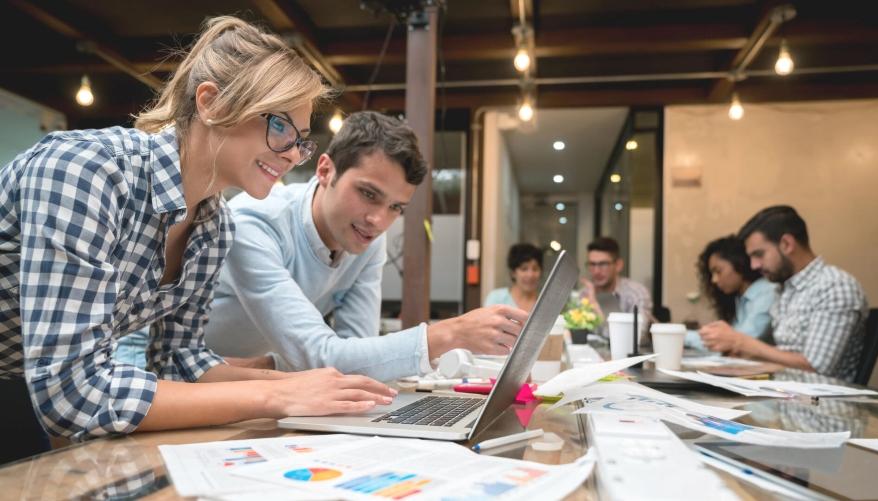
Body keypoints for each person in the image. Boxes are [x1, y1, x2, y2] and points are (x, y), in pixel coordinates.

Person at [0, 16, 396, 464]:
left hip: (21, 382)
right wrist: (277, 398)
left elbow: (180, 361)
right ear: (210, 102)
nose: (290, 154)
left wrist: (306, 386)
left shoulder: (214, 227)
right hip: (38, 387)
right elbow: (73, 390)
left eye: (301, 140)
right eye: (281, 127)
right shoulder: (86, 171)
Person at [203, 112, 528, 381]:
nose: (378, 220)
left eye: (396, 208)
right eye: (368, 194)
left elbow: (355, 354)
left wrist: (271, 364)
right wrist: (448, 333)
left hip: (264, 382)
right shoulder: (255, 223)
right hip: (195, 386)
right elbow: (322, 355)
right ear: (326, 170)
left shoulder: (366, 239)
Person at [701, 206, 867, 382]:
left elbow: (815, 367)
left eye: (759, 254)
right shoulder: (784, 289)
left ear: (787, 244)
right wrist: (745, 356)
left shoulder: (834, 285)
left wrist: (741, 342)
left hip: (822, 402)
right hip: (787, 392)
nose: (754, 265)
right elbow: (785, 356)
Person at [691, 235, 777, 350]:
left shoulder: (767, 292)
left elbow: (736, 341)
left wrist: (679, 334)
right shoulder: (740, 298)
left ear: (740, 264)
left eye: (718, 271)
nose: (714, 280)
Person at [579, 237, 653, 323]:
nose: (596, 271)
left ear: (618, 265)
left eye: (603, 264)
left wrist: (593, 305)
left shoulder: (636, 293)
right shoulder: (584, 294)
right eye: (592, 264)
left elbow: (636, 334)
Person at [484, 243, 543, 312]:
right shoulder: (496, 298)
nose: (530, 275)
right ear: (513, 272)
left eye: (535, 269)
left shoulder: (544, 303)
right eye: (524, 269)